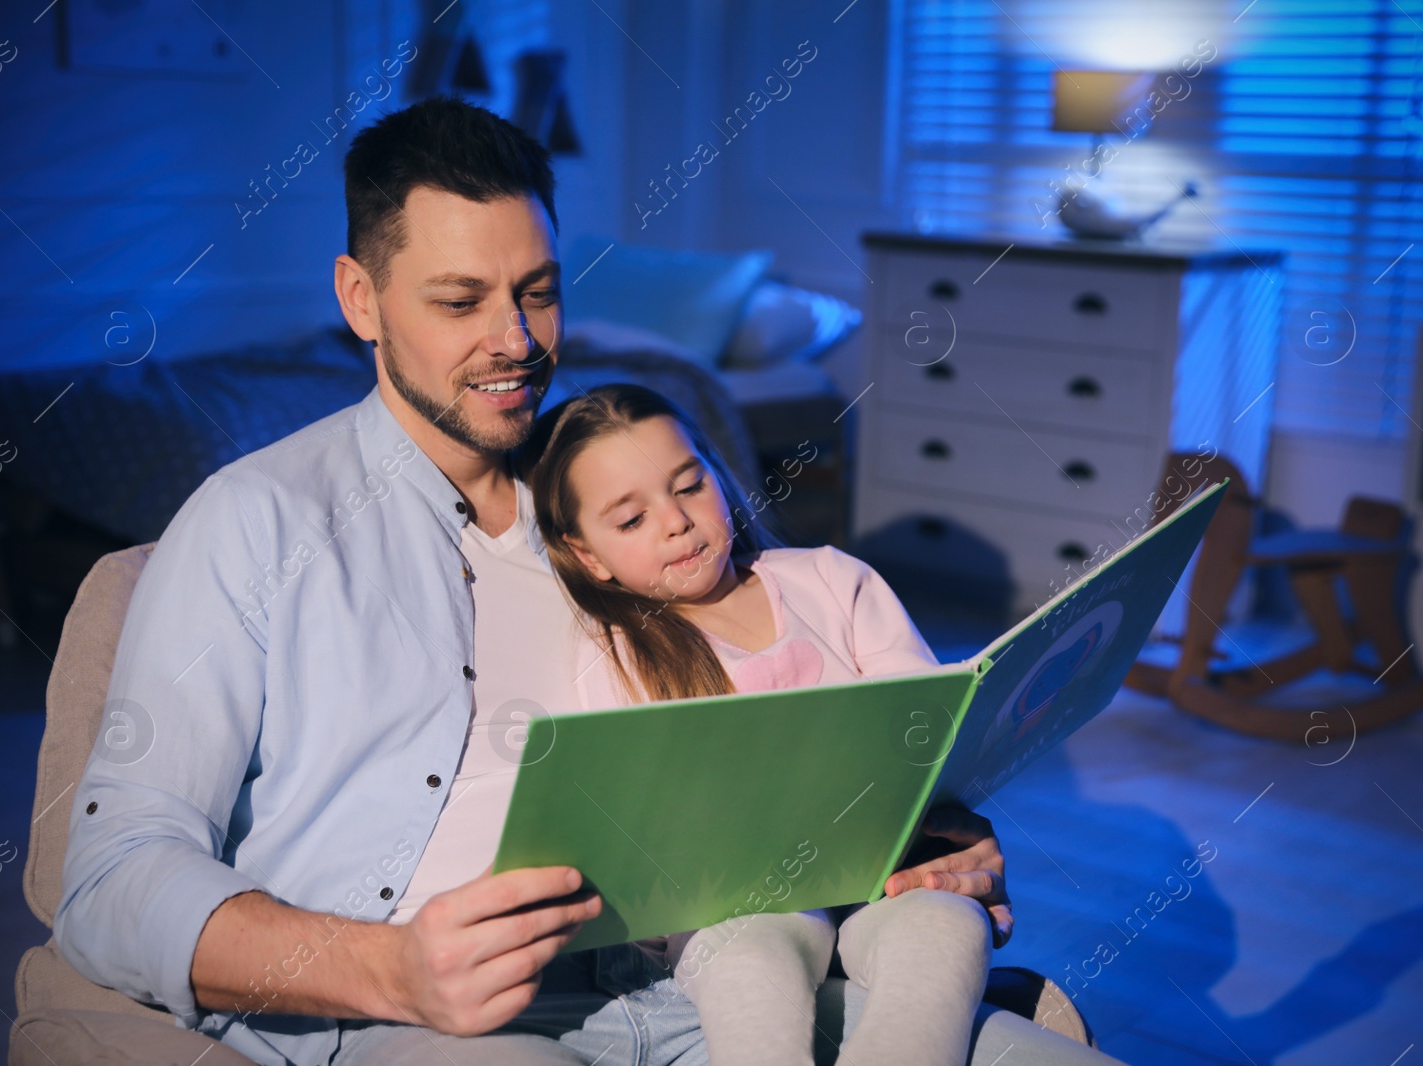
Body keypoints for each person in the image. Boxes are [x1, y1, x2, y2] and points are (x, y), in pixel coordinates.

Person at [53, 95, 1036, 1066]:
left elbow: (795, 674)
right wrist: (392, 970)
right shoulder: (255, 519)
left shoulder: (617, 488)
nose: (517, 341)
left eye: (537, 289)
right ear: (361, 299)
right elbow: (108, 881)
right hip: (424, 1021)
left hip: (715, 971)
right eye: (458, 300)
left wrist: (925, 824)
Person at [526, 383, 994, 1066]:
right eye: (630, 520)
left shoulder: (831, 581)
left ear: (718, 473)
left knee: (951, 924)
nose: (676, 522)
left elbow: (923, 727)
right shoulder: (614, 655)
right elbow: (631, 826)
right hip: (731, 904)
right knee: (747, 957)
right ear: (589, 554)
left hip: (876, 873)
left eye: (689, 485)